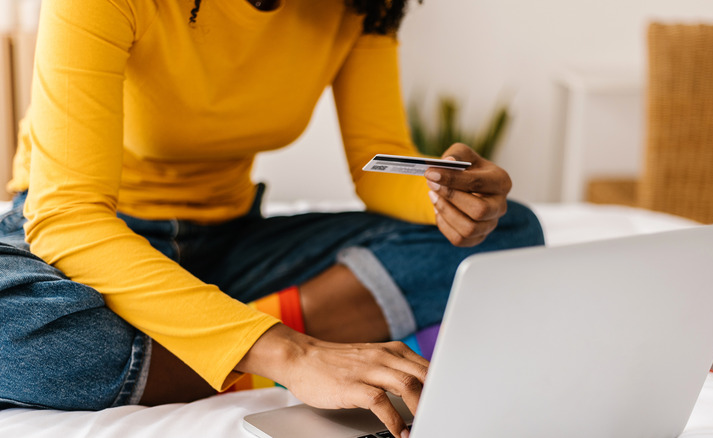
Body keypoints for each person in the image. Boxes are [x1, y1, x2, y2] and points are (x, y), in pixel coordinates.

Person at [0, 0, 544, 437]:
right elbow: (69, 216)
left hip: (228, 241)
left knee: (510, 232)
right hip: (83, 243)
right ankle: (261, 348)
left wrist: (447, 195)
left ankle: (206, 345)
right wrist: (289, 351)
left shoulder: (363, 4)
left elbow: (377, 156)